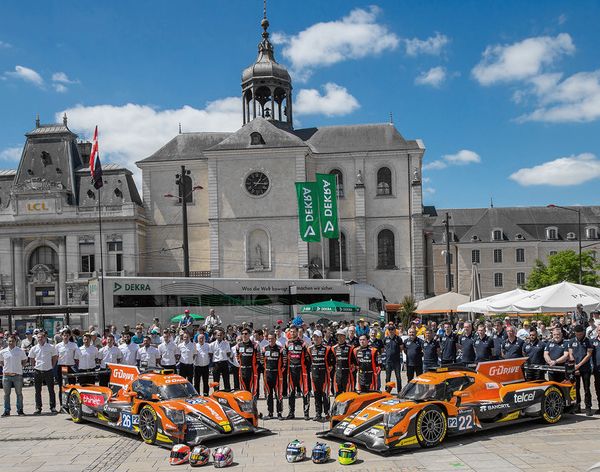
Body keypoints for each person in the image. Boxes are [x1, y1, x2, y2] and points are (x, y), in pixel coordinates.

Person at [308, 330, 335, 421]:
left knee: (325, 395)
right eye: (314, 337)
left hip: (324, 376)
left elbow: (332, 361)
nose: (315, 338)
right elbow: (308, 361)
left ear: (321, 338)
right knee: (316, 395)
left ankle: (327, 413)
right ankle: (318, 413)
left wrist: (330, 367)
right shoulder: (310, 349)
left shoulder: (327, 348)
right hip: (314, 375)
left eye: (317, 337)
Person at [29, 332, 58, 414]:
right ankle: (38, 408)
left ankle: (53, 407)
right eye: (38, 337)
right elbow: (31, 358)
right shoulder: (34, 348)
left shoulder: (51, 347)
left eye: (41, 337)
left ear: (45, 338)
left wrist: (52, 366)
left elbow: (55, 357)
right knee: (37, 391)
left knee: (51, 390)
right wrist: (34, 366)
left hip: (48, 370)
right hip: (38, 371)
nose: (40, 339)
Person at [286, 325, 311, 420]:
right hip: (291, 371)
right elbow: (285, 357)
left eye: (294, 332)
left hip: (301, 371)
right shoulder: (287, 343)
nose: (292, 333)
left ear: (297, 332)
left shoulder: (303, 344)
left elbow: (308, 358)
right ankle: (291, 413)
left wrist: (307, 370)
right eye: (291, 332)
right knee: (291, 392)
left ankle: (306, 413)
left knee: (305, 392)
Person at [1, 334, 28, 416]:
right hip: (6, 376)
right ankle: (6, 410)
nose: (11, 342)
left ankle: (20, 410)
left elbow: (24, 360)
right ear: (7, 341)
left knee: (19, 393)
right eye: (9, 341)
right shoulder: (3, 352)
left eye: (12, 341)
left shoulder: (20, 351)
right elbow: (1, 362)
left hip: (17, 375)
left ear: (16, 342)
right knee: (6, 394)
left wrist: (19, 367)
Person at [569, 325, 593, 415]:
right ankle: (577, 406)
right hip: (575, 368)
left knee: (587, 388)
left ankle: (588, 407)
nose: (579, 335)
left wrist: (579, 365)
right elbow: (570, 353)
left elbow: (588, 355)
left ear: (583, 332)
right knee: (576, 388)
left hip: (585, 368)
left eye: (580, 334)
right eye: (577, 334)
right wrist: (574, 365)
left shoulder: (588, 341)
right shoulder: (572, 340)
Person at [263, 332, 285, 419]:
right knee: (269, 395)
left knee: (278, 395)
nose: (270, 340)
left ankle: (279, 413)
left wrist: (280, 372)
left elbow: (284, 362)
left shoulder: (280, 349)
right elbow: (261, 361)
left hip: (277, 375)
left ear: (275, 339)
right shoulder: (264, 349)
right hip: (267, 374)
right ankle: (270, 413)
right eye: (269, 339)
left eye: (272, 339)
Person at [55, 329, 80, 400]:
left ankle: (72, 402)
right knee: (62, 387)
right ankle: (62, 405)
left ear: (69, 336)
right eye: (64, 335)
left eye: (67, 335)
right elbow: (56, 357)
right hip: (62, 367)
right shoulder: (58, 346)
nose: (65, 337)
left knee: (72, 386)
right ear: (62, 336)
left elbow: (77, 356)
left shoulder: (74, 345)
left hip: (71, 367)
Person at [236, 328, 260, 400]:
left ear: (249, 335)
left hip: (251, 370)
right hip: (242, 369)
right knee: (243, 390)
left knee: (252, 391)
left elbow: (258, 358)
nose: (244, 335)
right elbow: (237, 357)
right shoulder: (239, 345)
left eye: (246, 334)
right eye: (242, 334)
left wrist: (255, 367)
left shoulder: (255, 345)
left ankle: (252, 408)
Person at [333, 329, 355, 395]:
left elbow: (354, 361)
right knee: (338, 394)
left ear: (345, 337)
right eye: (338, 336)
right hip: (338, 373)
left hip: (347, 373)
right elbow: (332, 361)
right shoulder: (334, 348)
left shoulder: (350, 348)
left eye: (341, 336)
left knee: (348, 394)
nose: (339, 337)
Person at [383, 327, 403, 391]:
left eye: (392, 329)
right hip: (388, 361)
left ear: (395, 330)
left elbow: (401, 349)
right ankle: (387, 390)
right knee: (387, 377)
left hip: (396, 361)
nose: (391, 331)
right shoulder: (385, 339)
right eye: (389, 329)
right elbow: (383, 349)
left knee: (398, 377)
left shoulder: (399, 339)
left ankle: (399, 391)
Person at [194, 329, 211, 395]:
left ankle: (206, 394)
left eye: (202, 338)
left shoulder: (208, 345)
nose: (201, 340)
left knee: (205, 381)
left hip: (205, 366)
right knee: (196, 382)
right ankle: (197, 394)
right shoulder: (195, 345)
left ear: (204, 339)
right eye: (200, 338)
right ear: (197, 339)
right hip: (197, 366)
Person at [591, 324, 600, 415]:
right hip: (597, 370)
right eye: (599, 330)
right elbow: (590, 355)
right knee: (598, 389)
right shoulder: (593, 342)